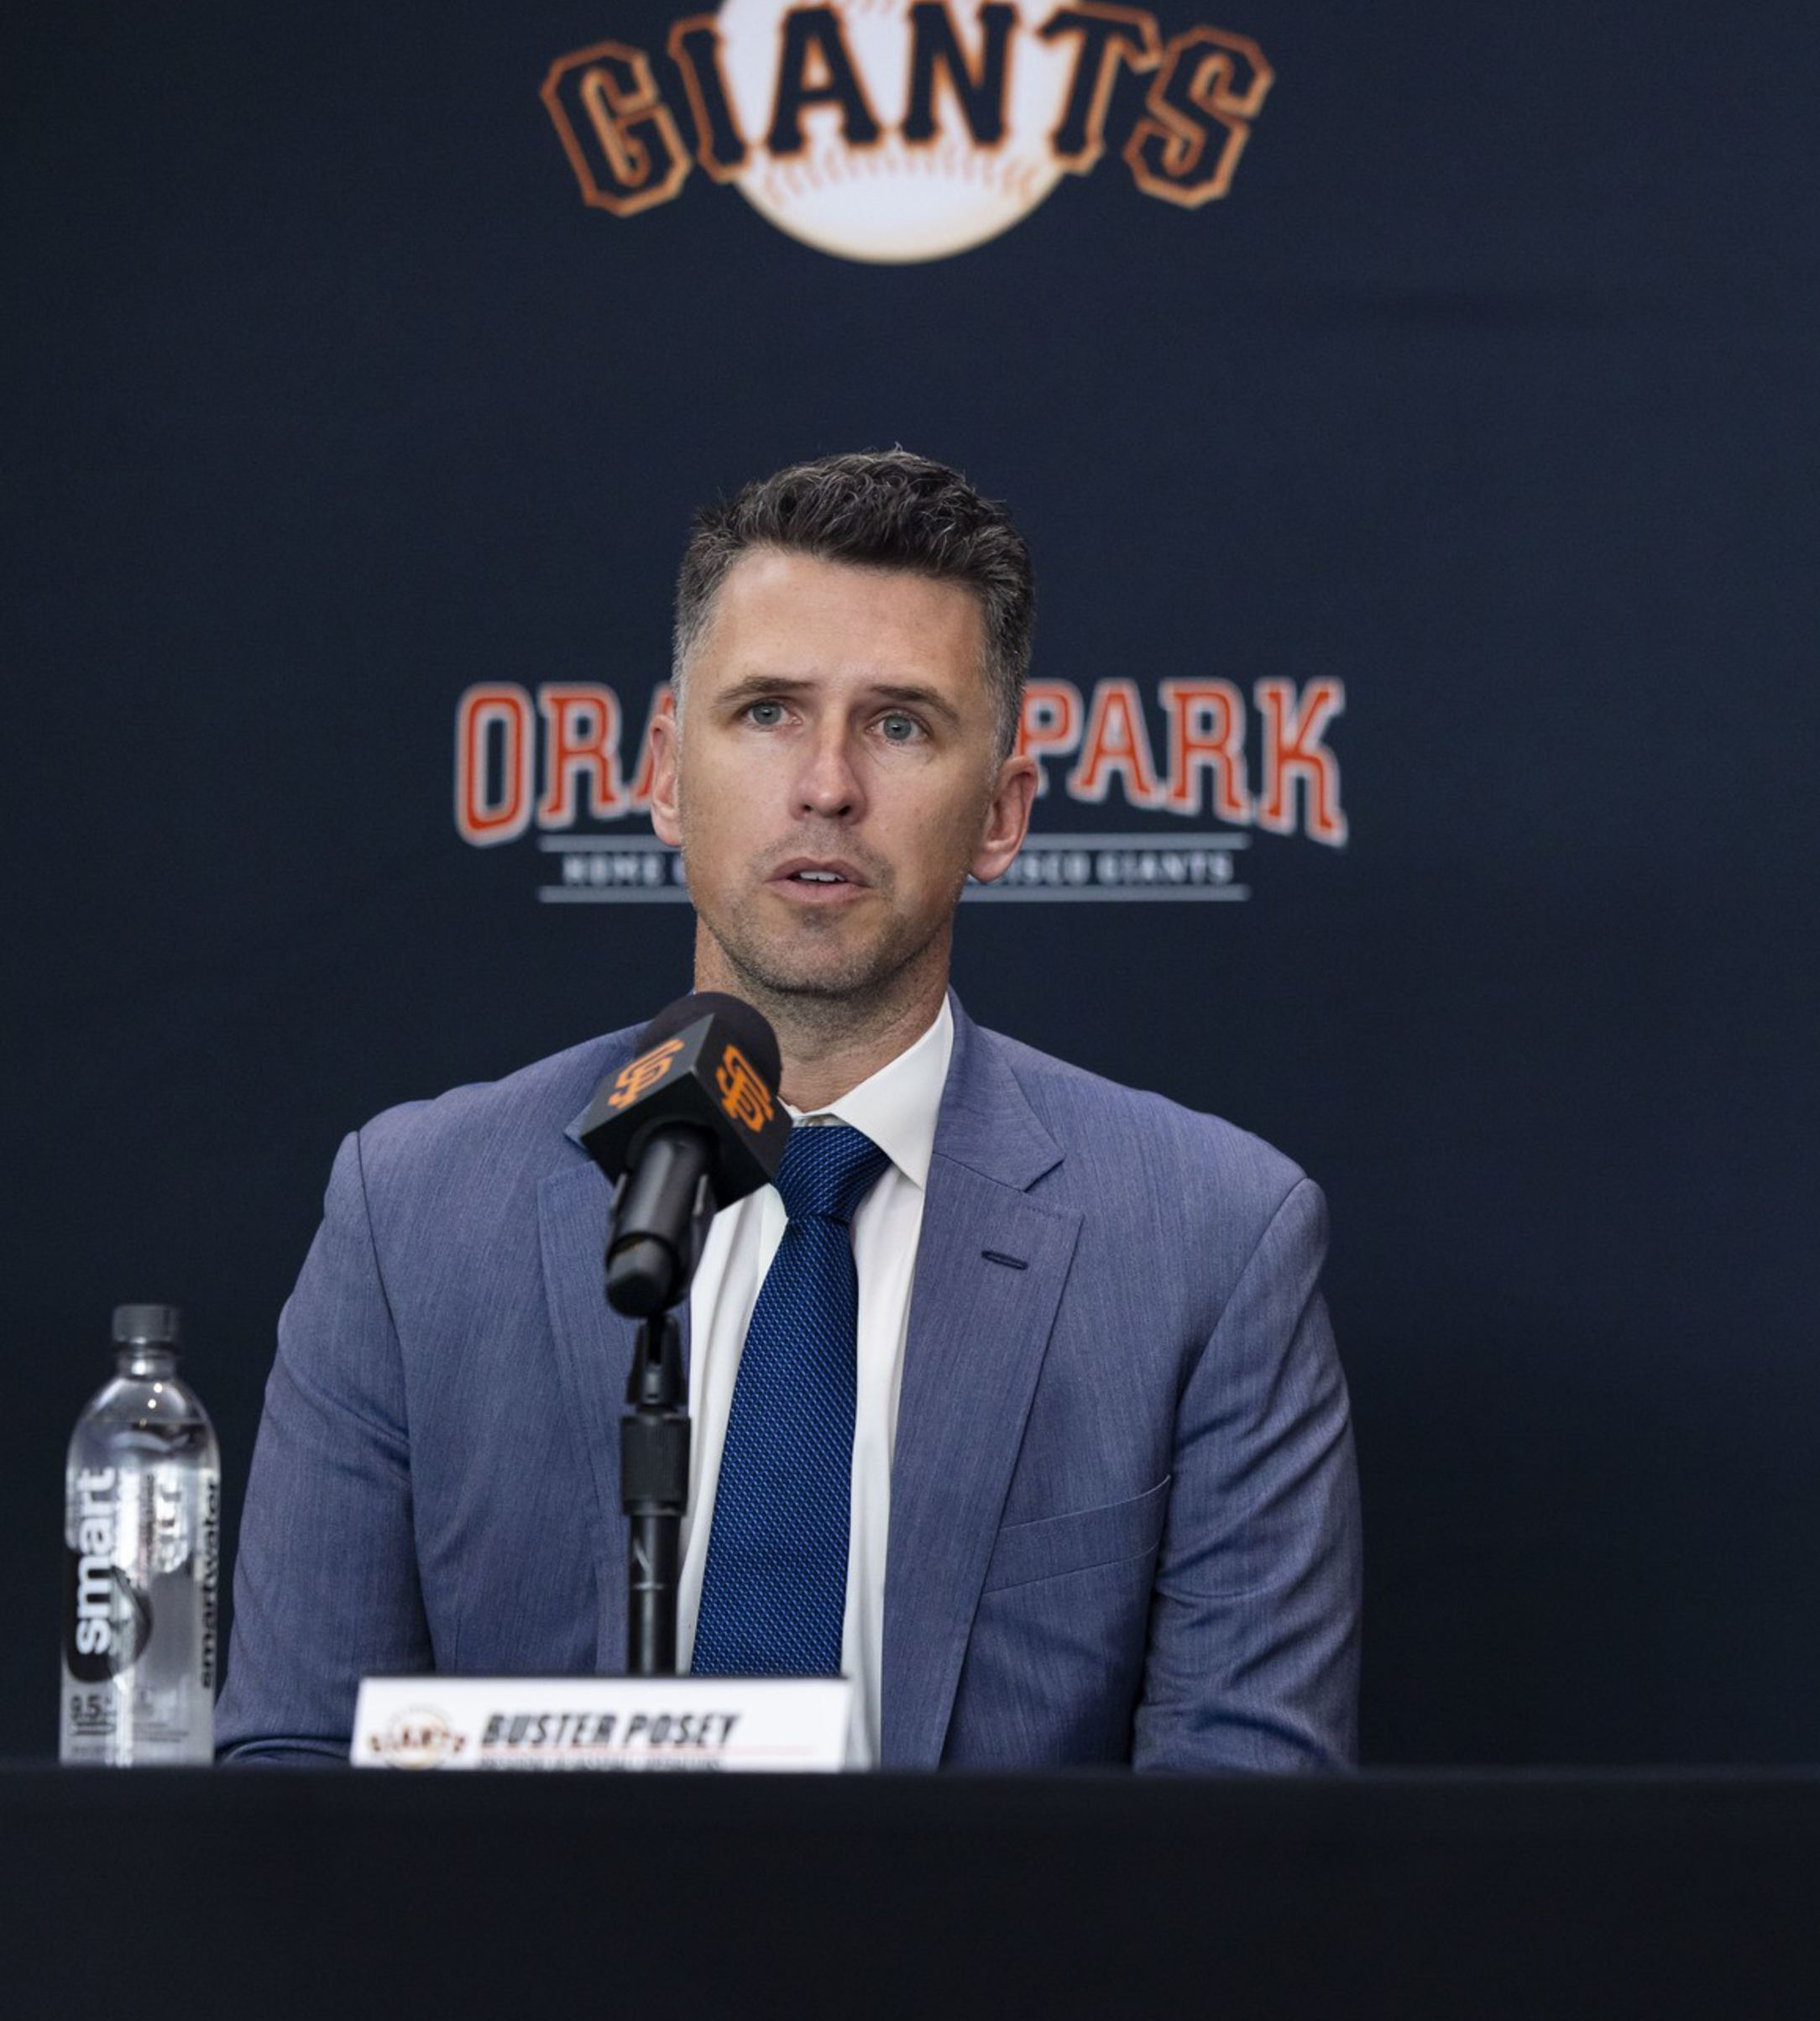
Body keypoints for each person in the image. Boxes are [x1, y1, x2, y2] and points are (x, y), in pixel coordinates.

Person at [218, 449, 1359, 1770]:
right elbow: (292, 1780)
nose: (826, 785)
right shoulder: (410, 1212)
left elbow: (1243, 1830)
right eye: (765, 713)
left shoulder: (1215, 1241)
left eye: (899, 725)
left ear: (1002, 814)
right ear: (660, 775)